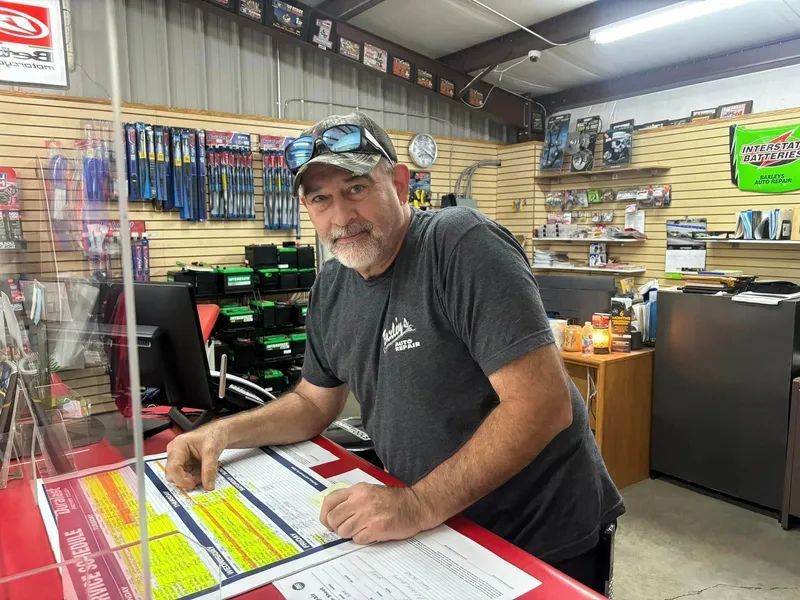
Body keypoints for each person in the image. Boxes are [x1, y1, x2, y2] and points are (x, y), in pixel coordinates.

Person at [166, 112, 624, 593]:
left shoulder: (460, 245)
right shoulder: (332, 287)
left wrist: (417, 504)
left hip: (536, 537)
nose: (340, 216)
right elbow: (312, 403)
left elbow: (542, 406)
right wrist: (222, 434)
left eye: (356, 188)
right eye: (321, 199)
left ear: (399, 183)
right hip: (440, 531)